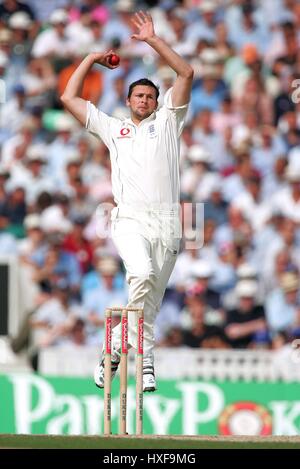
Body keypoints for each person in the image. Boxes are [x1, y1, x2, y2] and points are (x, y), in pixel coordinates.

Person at [61, 11, 194, 392]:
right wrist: (90, 59)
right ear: (128, 99)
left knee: (148, 302)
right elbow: (68, 97)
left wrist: (153, 40)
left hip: (169, 223)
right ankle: (142, 358)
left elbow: (185, 74)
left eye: (151, 96)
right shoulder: (113, 127)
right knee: (143, 275)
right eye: (139, 95)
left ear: (157, 101)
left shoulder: (169, 120)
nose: (145, 100)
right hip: (130, 219)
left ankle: (116, 351)